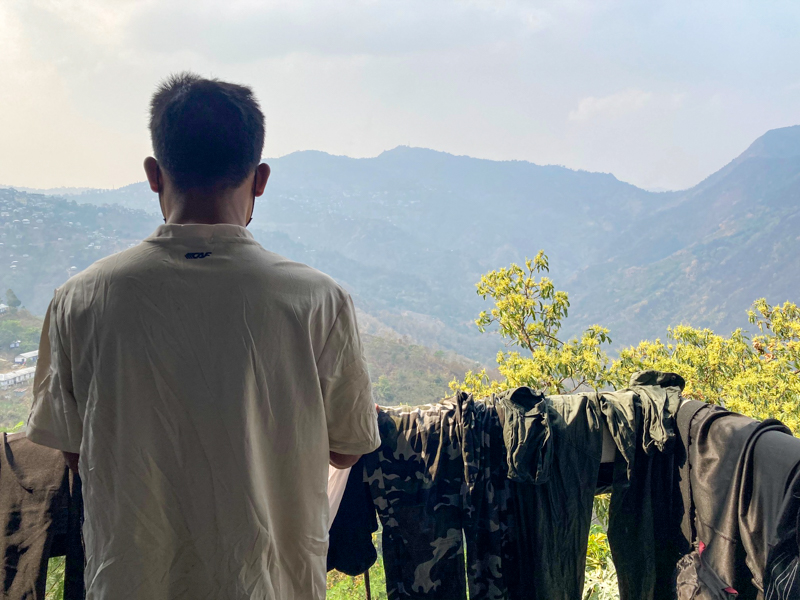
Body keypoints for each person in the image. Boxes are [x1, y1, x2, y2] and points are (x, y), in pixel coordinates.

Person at [26, 72, 380, 600]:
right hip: (272, 585)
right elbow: (348, 449)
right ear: (260, 179)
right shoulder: (320, 300)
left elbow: (75, 453)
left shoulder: (79, 300)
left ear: (153, 174)